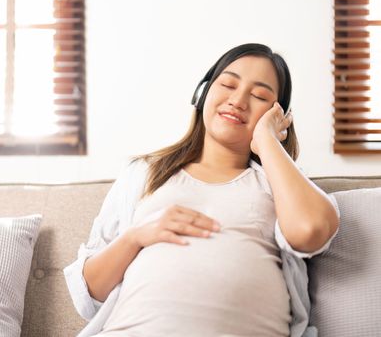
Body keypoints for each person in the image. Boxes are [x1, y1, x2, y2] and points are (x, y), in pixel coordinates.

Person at [64, 43, 340, 337]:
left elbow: (311, 230)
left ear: (277, 116)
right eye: (228, 84)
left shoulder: (278, 184)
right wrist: (135, 237)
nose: (238, 100)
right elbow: (89, 294)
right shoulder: (143, 173)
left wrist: (267, 140)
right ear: (202, 92)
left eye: (259, 96)